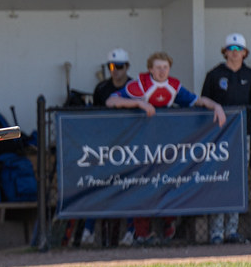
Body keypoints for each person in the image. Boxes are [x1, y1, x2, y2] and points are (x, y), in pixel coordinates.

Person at [106, 51, 227, 244]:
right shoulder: (140, 85)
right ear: (150, 69)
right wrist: (138, 103)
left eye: (165, 67)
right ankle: (141, 234)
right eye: (158, 68)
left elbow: (198, 100)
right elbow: (111, 101)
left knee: (169, 183)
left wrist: (217, 107)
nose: (162, 71)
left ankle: (168, 227)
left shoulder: (173, 86)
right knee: (143, 186)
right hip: (142, 146)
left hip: (165, 146)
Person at [201, 33, 251, 244]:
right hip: (218, 137)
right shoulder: (214, 74)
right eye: (231, 49)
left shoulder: (250, 74)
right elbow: (204, 99)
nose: (234, 53)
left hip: (243, 134)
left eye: (238, 50)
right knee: (218, 178)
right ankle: (216, 231)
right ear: (225, 51)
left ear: (245, 52)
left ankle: (231, 230)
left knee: (238, 180)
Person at [81, 48, 135, 247]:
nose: (115, 71)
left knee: (129, 188)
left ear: (127, 67)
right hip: (106, 146)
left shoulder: (135, 87)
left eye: (119, 66)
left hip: (130, 145)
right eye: (112, 66)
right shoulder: (101, 88)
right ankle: (89, 230)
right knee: (98, 185)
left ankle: (131, 232)